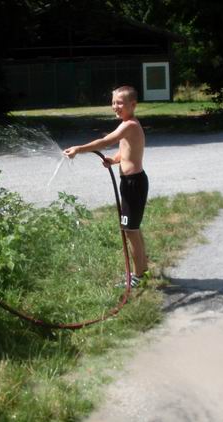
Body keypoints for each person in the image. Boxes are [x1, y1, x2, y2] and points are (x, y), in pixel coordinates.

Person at [63, 85, 149, 288]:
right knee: (133, 228)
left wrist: (79, 149)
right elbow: (126, 151)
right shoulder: (128, 125)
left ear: (133, 104)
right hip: (131, 183)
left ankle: (137, 276)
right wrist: (114, 160)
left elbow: (105, 141)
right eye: (113, 102)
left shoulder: (129, 125)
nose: (115, 106)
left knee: (130, 230)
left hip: (134, 183)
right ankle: (143, 267)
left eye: (120, 103)